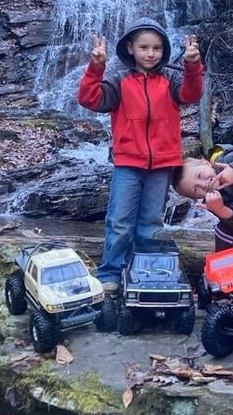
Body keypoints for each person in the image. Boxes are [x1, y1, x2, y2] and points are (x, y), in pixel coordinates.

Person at [78, 18, 203, 292]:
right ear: (131, 49)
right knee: (120, 220)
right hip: (127, 162)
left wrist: (192, 65)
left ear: (164, 50)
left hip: (162, 164)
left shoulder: (170, 78)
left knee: (150, 222)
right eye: (144, 47)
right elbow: (89, 99)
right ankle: (111, 272)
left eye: (157, 48)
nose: (150, 53)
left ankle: (144, 271)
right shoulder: (119, 81)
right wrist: (96, 67)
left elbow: (192, 94)